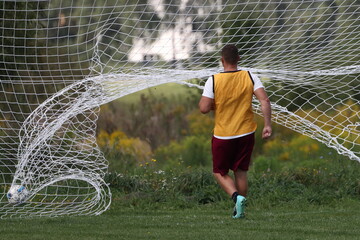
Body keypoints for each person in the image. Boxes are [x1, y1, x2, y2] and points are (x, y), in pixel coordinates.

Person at [199, 44, 272, 219]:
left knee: (219, 172)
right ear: (238, 59)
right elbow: (265, 101)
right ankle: (241, 208)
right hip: (246, 132)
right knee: (240, 171)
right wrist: (267, 125)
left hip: (223, 134)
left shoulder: (214, 80)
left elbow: (203, 108)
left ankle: (236, 198)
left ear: (222, 60)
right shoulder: (249, 76)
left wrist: (215, 104)